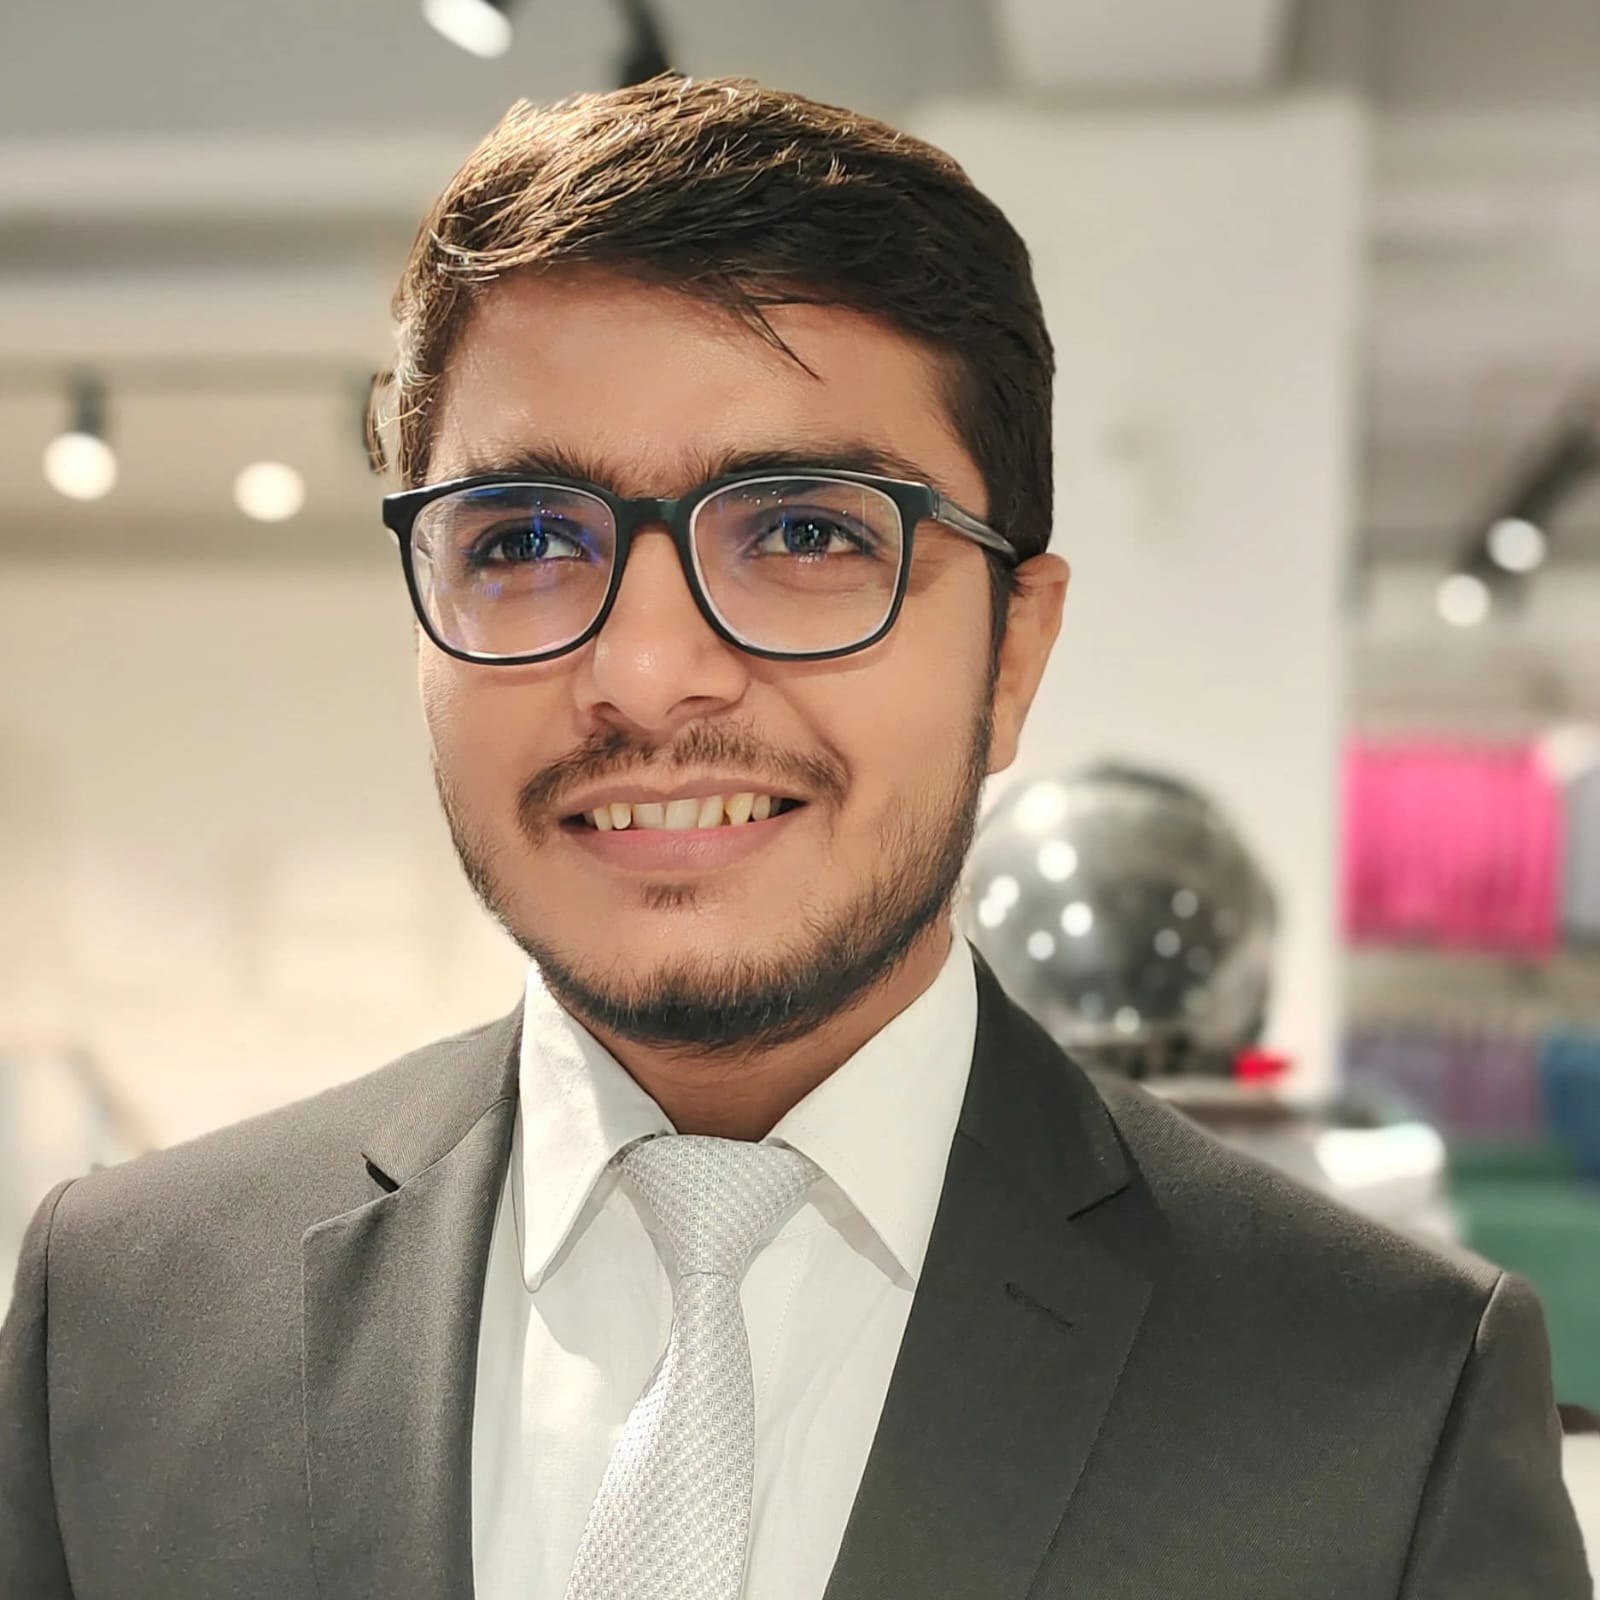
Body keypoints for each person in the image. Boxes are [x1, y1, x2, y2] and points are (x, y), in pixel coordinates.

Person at [0, 77, 1590, 1600]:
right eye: (527, 538)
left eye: (809, 531)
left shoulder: (1381, 1398)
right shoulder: (128, 1322)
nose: (646, 672)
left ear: (1012, 655)